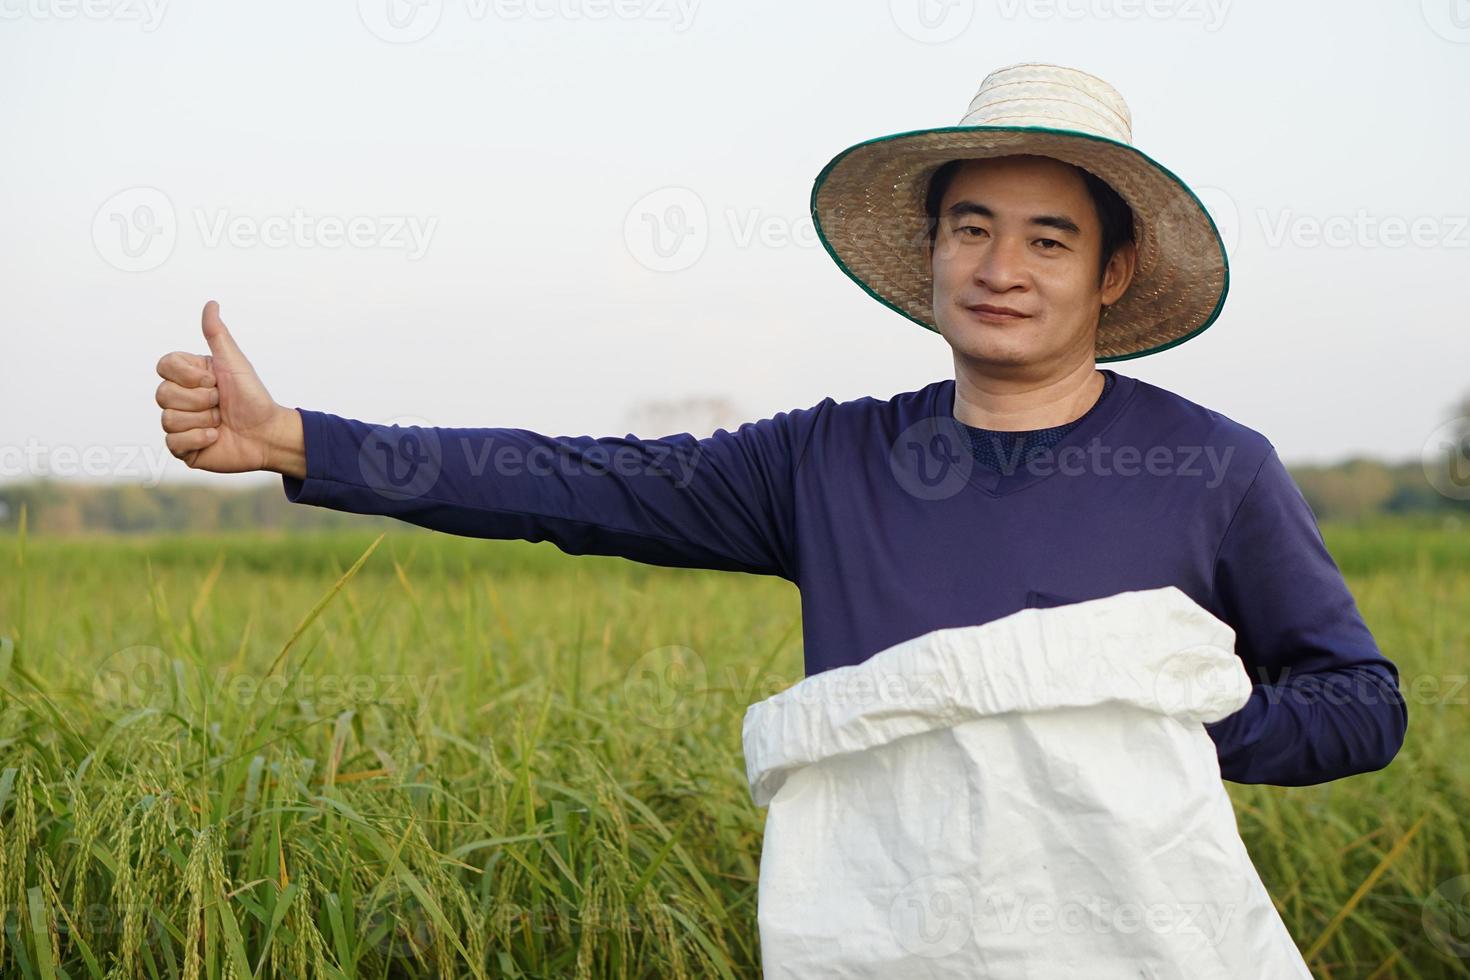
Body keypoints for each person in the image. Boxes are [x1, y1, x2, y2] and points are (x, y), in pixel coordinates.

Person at [154, 62, 1406, 787]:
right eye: (971, 226)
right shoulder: (828, 461)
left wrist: (1173, 719)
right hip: (878, 928)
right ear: (929, 251)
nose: (1001, 265)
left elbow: (1362, 701)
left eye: (1049, 236)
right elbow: (578, 480)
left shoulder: (1211, 468)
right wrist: (297, 439)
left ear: (1112, 274)